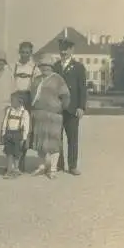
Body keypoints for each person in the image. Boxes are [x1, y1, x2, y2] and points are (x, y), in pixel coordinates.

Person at [30, 54, 71, 179]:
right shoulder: (36, 79)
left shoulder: (58, 79)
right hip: (39, 114)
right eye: (42, 66)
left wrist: (59, 108)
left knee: (54, 142)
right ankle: (42, 165)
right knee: (40, 141)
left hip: (54, 115)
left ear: (52, 67)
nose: (45, 68)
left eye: (47, 66)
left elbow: (66, 96)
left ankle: (53, 168)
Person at [53, 37, 87, 176]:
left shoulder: (78, 67)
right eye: (61, 49)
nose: (63, 51)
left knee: (72, 138)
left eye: (66, 49)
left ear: (72, 50)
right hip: (57, 108)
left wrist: (81, 107)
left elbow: (82, 89)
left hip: (72, 108)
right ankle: (59, 164)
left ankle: (72, 165)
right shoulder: (55, 67)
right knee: (57, 137)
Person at [12, 41, 41, 172]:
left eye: (27, 52)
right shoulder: (13, 66)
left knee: (25, 130)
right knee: (13, 129)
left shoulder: (35, 68)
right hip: (15, 99)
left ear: (31, 53)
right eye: (22, 52)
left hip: (28, 99)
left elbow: (39, 87)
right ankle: (13, 162)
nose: (24, 55)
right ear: (19, 52)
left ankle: (21, 161)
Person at [1, 91, 30, 179]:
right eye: (11, 101)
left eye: (13, 101)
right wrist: (3, 133)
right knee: (9, 153)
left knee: (17, 154)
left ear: (20, 101)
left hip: (18, 134)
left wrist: (24, 138)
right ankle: (9, 170)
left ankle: (16, 169)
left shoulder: (24, 112)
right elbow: (5, 122)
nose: (11, 102)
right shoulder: (9, 110)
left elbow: (26, 127)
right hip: (9, 133)